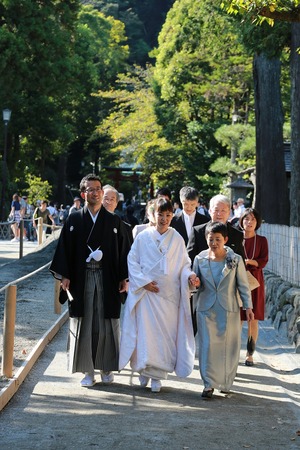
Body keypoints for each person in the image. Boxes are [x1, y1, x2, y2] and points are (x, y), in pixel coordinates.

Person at [49, 174, 131, 387]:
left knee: (107, 322)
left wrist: (124, 277)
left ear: (103, 192)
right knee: (83, 322)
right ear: (83, 193)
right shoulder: (74, 219)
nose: (95, 193)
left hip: (108, 277)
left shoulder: (114, 221)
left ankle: (106, 367)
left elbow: (124, 251)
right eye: (90, 189)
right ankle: (87, 370)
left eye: (98, 189)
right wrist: (64, 276)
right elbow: (64, 249)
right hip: (81, 276)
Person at [119, 198, 197, 393]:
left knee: (164, 336)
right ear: (152, 215)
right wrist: (144, 282)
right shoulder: (143, 237)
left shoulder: (177, 238)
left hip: (168, 296)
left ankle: (158, 376)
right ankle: (144, 371)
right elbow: (132, 261)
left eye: (168, 215)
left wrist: (190, 276)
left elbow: (184, 265)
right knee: (145, 334)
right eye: (160, 215)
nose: (164, 219)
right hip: (147, 294)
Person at [192, 222, 254, 398]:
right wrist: (193, 284)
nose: (214, 243)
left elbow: (243, 286)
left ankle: (226, 382)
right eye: (211, 239)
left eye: (218, 239)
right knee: (207, 346)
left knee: (228, 347)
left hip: (228, 308)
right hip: (205, 308)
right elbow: (194, 286)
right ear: (206, 239)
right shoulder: (199, 259)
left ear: (225, 239)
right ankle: (208, 384)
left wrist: (248, 307)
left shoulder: (235, 259)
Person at [239, 208, 269, 366]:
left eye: (252, 219)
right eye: (246, 219)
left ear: (257, 223)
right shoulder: (236, 238)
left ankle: (250, 353)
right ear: (241, 221)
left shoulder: (262, 240)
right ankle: (233, 351)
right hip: (237, 281)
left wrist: (249, 262)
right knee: (238, 318)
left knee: (253, 318)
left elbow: (263, 261)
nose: (249, 222)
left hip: (255, 281)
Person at [187, 194, 245, 264]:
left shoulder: (237, 235)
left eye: (223, 210)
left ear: (229, 212)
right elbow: (189, 260)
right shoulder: (197, 232)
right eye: (216, 210)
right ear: (210, 211)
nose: (219, 214)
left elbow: (241, 262)